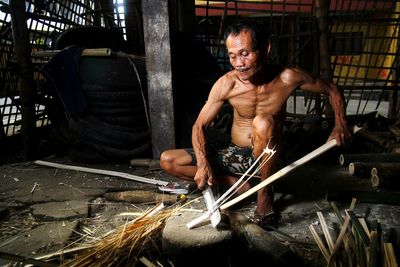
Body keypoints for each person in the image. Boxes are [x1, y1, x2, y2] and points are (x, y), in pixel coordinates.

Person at [160, 21, 350, 224]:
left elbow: (332, 89)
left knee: (263, 121)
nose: (238, 63)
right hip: (235, 155)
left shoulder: (287, 77)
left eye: (245, 53)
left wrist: (340, 124)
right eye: (232, 56)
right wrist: (203, 163)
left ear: (265, 49)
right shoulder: (227, 83)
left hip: (270, 159)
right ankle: (236, 183)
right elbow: (199, 126)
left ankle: (265, 192)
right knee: (168, 159)